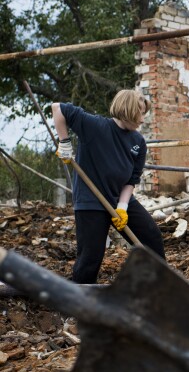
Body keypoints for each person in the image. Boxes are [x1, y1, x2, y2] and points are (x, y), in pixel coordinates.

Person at [51, 90, 166, 283]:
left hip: (119, 199)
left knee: (151, 236)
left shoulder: (138, 141)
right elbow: (58, 109)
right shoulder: (95, 126)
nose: (143, 119)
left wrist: (122, 207)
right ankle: (80, 300)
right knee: (91, 256)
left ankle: (157, 286)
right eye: (141, 113)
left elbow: (132, 179)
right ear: (128, 110)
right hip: (91, 201)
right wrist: (64, 143)